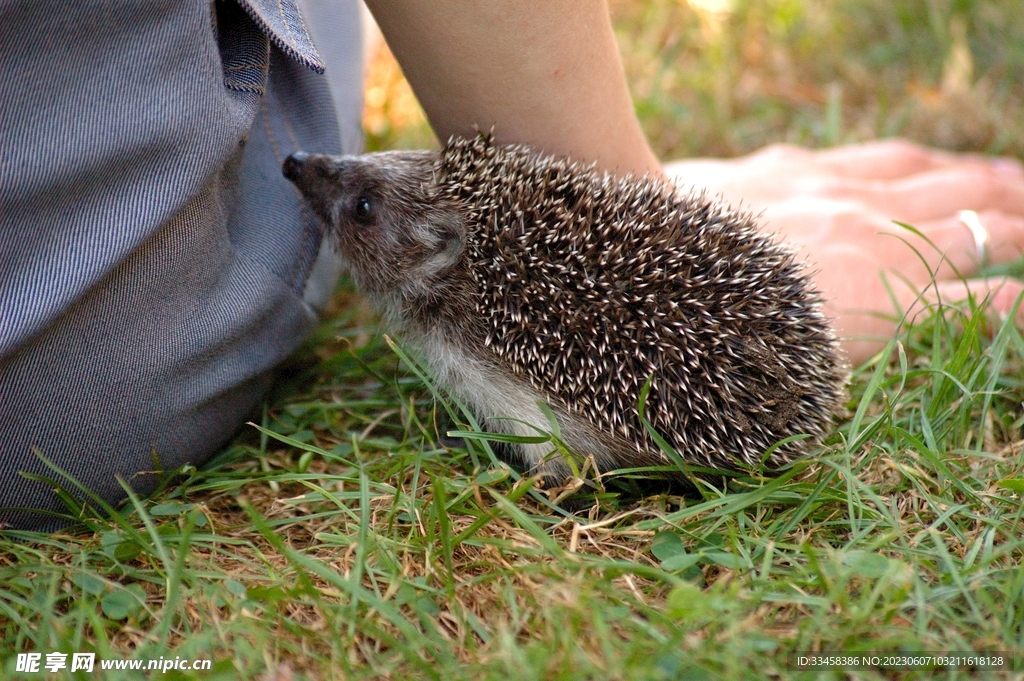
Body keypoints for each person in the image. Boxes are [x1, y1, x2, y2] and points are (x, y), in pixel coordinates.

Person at [2, 0, 1023, 532]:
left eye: (353, 206)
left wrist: (617, 206)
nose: (309, 180)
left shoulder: (462, 326)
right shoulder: (456, 286)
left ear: (439, 259)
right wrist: (610, 192)